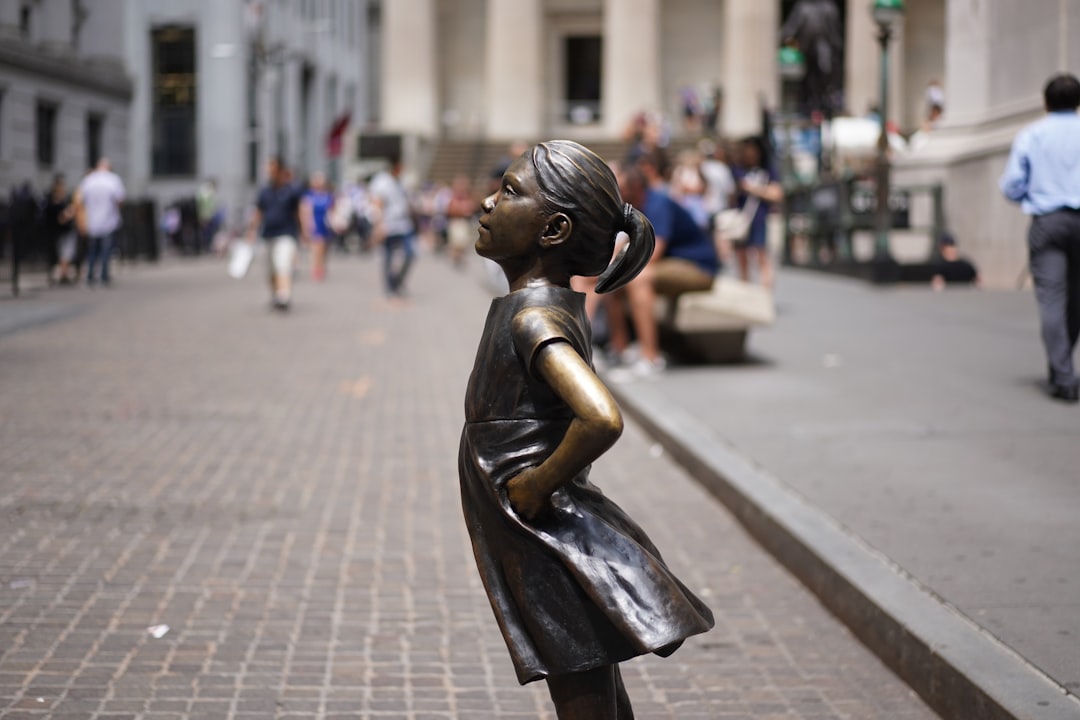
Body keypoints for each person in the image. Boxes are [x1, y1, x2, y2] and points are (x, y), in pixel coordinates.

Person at [460, 139, 713, 720]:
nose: (487, 202)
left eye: (509, 191)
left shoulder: (534, 317)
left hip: (543, 531)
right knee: (589, 678)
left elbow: (600, 417)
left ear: (552, 230)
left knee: (580, 684)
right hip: (531, 528)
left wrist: (535, 485)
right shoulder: (538, 306)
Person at [999, 72, 1080, 404]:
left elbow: (1011, 184)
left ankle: (1062, 374)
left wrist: (1032, 197)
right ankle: (1061, 368)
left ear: (1046, 102)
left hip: (1048, 221)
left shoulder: (1032, 135)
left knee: (1051, 300)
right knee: (1076, 300)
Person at [600, 163, 721, 378]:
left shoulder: (658, 204)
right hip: (672, 265)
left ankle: (651, 359)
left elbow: (653, 251)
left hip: (698, 267)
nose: (616, 194)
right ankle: (620, 350)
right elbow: (623, 245)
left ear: (636, 187)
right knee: (611, 280)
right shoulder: (634, 207)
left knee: (639, 278)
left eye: (621, 188)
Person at [245, 156, 303, 310]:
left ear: (280, 170)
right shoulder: (264, 191)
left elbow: (299, 212)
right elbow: (258, 212)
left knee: (283, 265)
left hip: (286, 233)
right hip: (268, 234)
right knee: (270, 269)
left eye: (272, 168)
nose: (269, 171)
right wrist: (251, 230)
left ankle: (284, 295)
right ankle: (276, 295)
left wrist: (303, 231)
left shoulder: (291, 190)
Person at [730, 136, 784, 290]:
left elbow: (777, 194)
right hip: (741, 219)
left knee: (762, 257)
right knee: (742, 259)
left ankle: (765, 295)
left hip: (760, 218)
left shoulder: (768, 170)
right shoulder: (737, 169)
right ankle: (745, 294)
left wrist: (752, 188)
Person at [368, 154, 418, 298]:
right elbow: (377, 204)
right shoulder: (382, 181)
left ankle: (398, 280)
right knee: (388, 257)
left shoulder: (402, 181)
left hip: (403, 224)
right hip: (388, 224)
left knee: (410, 253)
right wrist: (378, 226)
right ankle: (389, 286)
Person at [76, 158, 126, 286]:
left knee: (92, 250)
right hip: (108, 221)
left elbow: (80, 200)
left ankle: (90, 276)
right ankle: (103, 276)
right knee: (105, 250)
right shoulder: (113, 179)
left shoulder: (89, 180)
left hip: (93, 221)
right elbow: (119, 200)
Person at [41, 175, 77, 285]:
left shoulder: (59, 201)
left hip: (62, 231)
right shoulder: (55, 203)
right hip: (61, 232)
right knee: (64, 254)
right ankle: (62, 275)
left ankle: (63, 274)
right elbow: (60, 219)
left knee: (65, 254)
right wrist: (68, 213)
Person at [300, 171, 334, 281]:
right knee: (316, 247)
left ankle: (322, 267)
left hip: (326, 224)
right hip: (315, 223)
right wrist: (306, 226)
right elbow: (304, 211)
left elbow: (333, 210)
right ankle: (316, 269)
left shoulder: (328, 195)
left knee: (325, 248)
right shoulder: (309, 196)